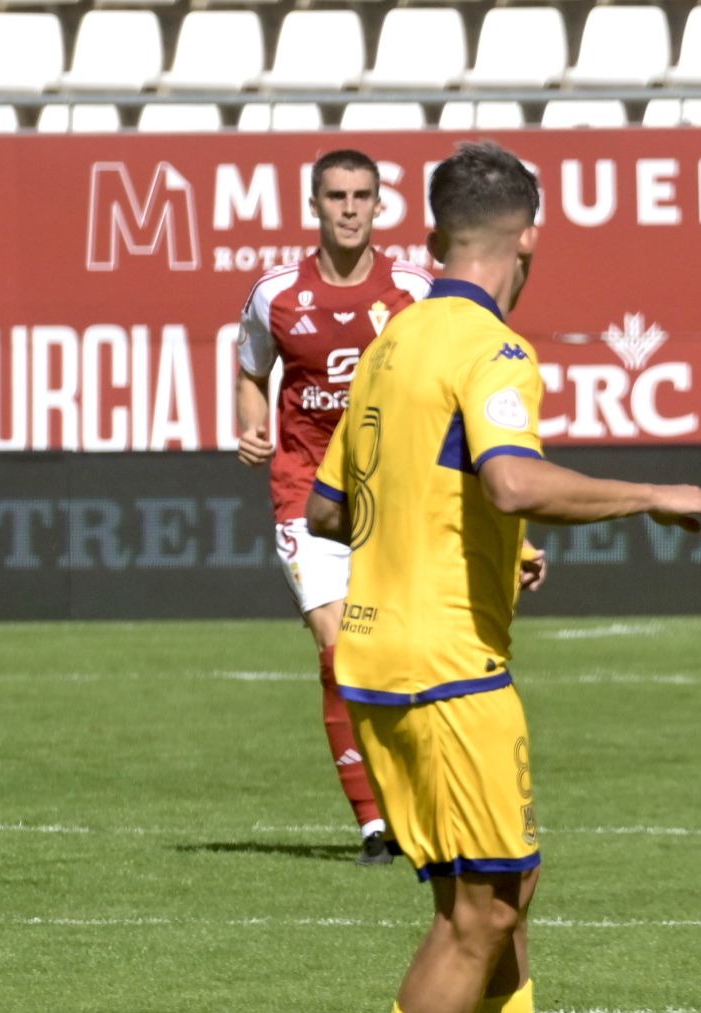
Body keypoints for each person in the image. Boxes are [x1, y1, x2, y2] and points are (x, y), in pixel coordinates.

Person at [306, 141, 701, 1013]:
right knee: (477, 910)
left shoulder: (393, 337)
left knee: (503, 896)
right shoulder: (493, 345)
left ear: (434, 231)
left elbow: (326, 509)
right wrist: (652, 493)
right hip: (448, 668)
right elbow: (509, 478)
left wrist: (479, 549)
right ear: (529, 233)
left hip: (376, 653)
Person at [237, 149, 431, 866]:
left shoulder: (415, 289)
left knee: (400, 656)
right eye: (336, 196)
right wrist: (251, 425)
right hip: (304, 495)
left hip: (394, 499)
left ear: (380, 206)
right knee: (340, 653)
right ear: (314, 206)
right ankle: (375, 825)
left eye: (361, 196)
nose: (349, 208)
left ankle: (415, 801)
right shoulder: (275, 294)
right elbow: (252, 369)